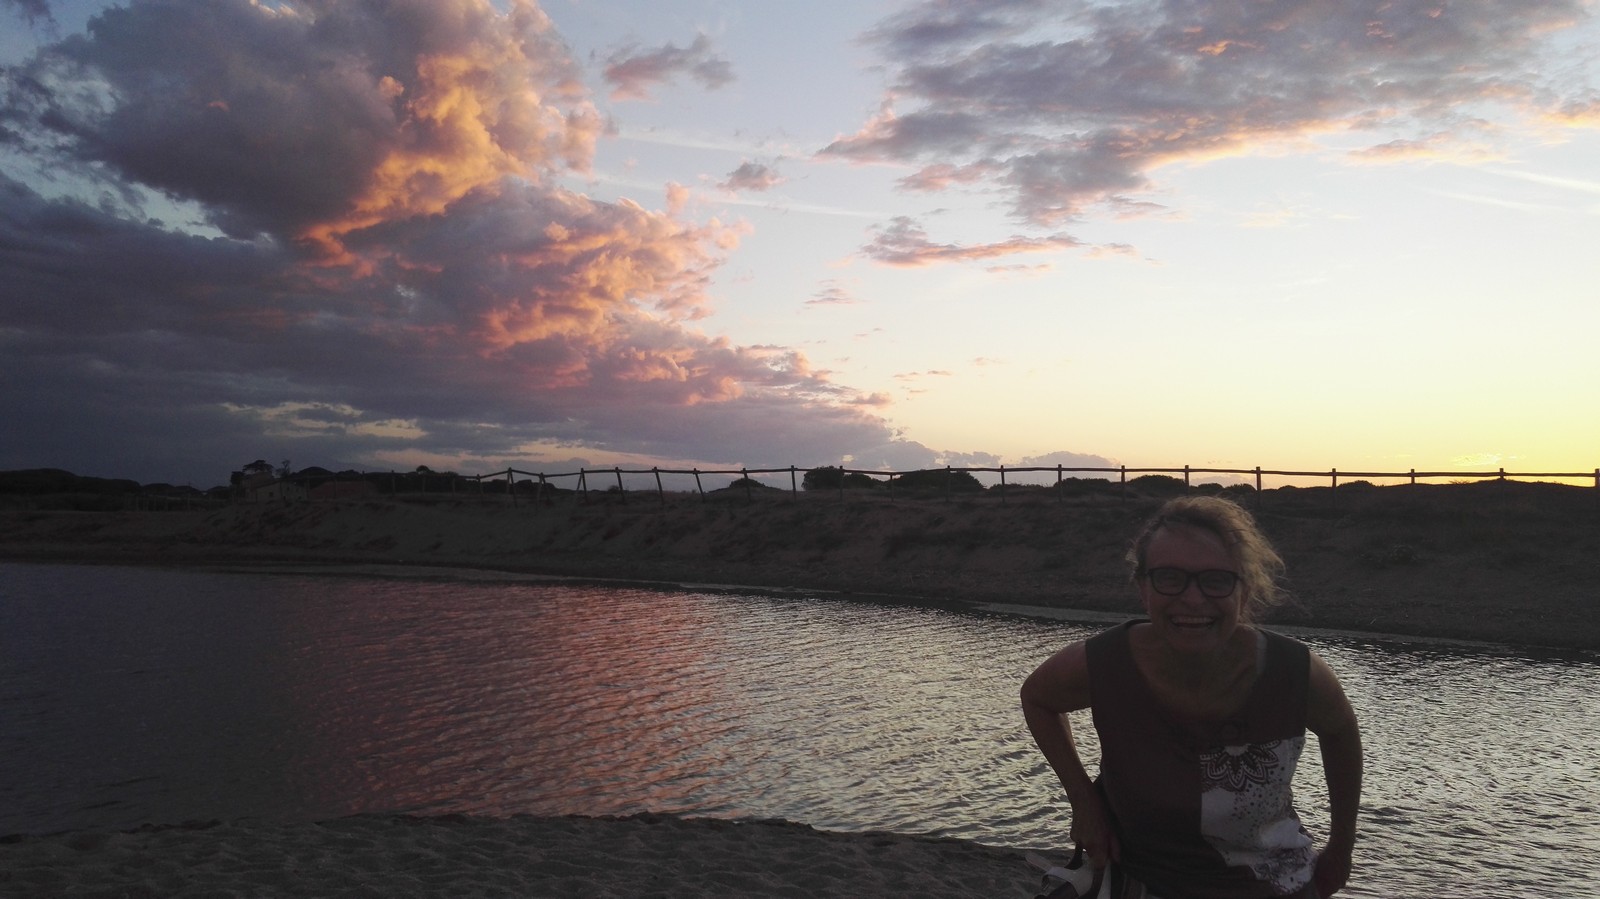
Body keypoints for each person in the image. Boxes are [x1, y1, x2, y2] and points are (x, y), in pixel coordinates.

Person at [1021, 495, 1361, 898]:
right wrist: (1083, 801)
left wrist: (1341, 847)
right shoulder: (1105, 663)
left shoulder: (1295, 672)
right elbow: (1038, 699)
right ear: (1143, 587)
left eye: (1216, 580)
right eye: (1169, 577)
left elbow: (1341, 732)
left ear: (1245, 590)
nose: (1193, 599)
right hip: (1139, 875)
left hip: (1269, 881)